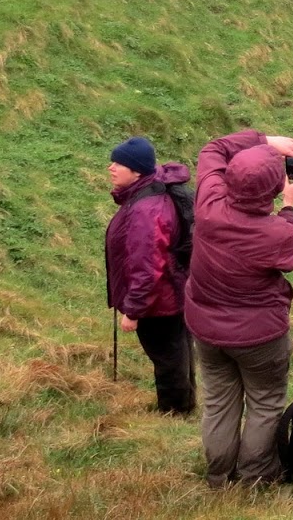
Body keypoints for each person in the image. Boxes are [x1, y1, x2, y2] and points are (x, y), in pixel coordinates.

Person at [184, 130, 293, 489]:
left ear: (228, 177)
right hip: (260, 337)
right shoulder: (276, 233)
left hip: (207, 330)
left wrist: (266, 140)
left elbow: (213, 147)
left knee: (219, 403)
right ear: (274, 188)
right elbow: (290, 255)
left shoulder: (207, 203)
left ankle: (219, 476)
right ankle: (254, 479)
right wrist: (289, 204)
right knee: (265, 403)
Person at [104, 136, 196, 415]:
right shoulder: (151, 193)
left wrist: (133, 310)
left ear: (137, 172)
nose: (111, 167)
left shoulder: (147, 210)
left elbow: (147, 267)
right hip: (173, 290)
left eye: (119, 164)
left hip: (160, 300)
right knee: (178, 350)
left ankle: (174, 412)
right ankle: (184, 405)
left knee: (168, 356)